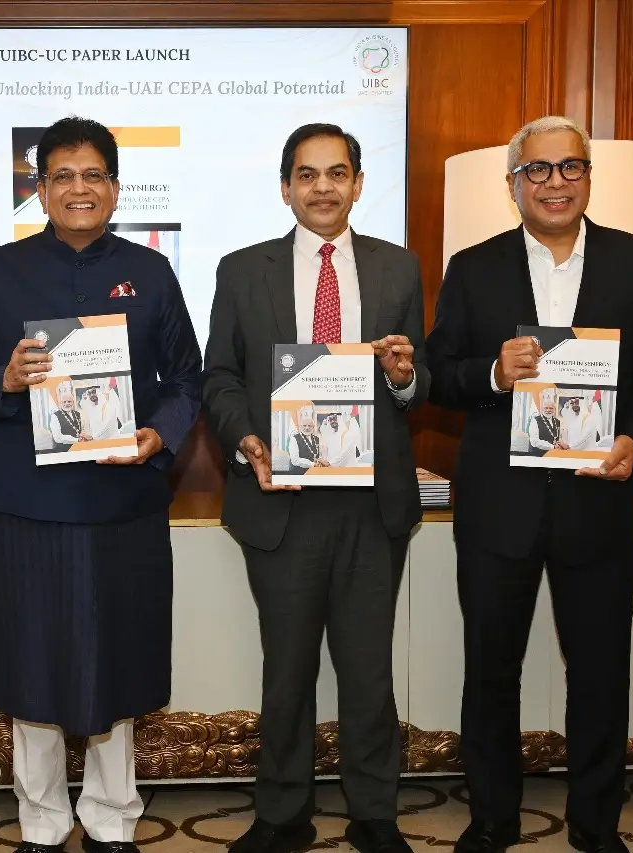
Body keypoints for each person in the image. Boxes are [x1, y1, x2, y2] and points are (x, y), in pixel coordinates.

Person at [425, 115, 633, 853]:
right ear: (513, 185)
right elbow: (439, 373)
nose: (555, 182)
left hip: (599, 497)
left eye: (570, 166)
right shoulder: (473, 267)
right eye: (536, 170)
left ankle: (596, 826)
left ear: (589, 176)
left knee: (600, 672)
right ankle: (493, 818)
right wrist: (492, 373)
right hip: (498, 504)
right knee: (491, 671)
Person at [0, 116, 202, 853]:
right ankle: (41, 819)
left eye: (93, 175)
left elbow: (188, 378)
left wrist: (159, 436)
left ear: (115, 188)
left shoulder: (152, 273)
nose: (78, 189)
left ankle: (113, 819)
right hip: (24, 505)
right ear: (40, 189)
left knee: (118, 664)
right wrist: (4, 380)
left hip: (123, 502)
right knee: (30, 667)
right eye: (62, 176)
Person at [202, 123, 427, 853]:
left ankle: (374, 812)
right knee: (287, 669)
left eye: (336, 173)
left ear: (358, 183)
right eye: (307, 174)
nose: (322, 187)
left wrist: (403, 377)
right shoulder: (243, 270)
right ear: (285, 188)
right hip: (281, 499)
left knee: (368, 669)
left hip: (371, 501)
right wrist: (246, 440)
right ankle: (282, 813)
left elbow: (415, 382)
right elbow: (219, 376)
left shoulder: (398, 267)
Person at [49, 379, 91, 447]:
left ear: (73, 402)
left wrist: (83, 436)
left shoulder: (77, 414)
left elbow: (81, 430)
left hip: (78, 446)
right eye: (64, 402)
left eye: (69, 401)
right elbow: (58, 438)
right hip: (63, 449)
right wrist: (76, 440)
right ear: (60, 403)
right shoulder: (55, 416)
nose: (67, 404)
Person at [286, 403, 324, 474]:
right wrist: (312, 464)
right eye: (304, 425)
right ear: (300, 426)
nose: (307, 428)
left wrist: (319, 461)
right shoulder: (294, 439)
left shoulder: (317, 439)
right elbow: (295, 460)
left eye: (309, 426)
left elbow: (318, 455)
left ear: (313, 427)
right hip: (299, 474)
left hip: (314, 474)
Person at [526, 388, 563, 453]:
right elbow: (534, 441)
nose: (548, 410)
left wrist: (559, 444)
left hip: (552, 453)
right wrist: (552, 447)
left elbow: (558, 437)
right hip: (537, 453)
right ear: (543, 409)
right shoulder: (535, 420)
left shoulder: (557, 421)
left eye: (551, 408)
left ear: (554, 409)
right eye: (546, 408)